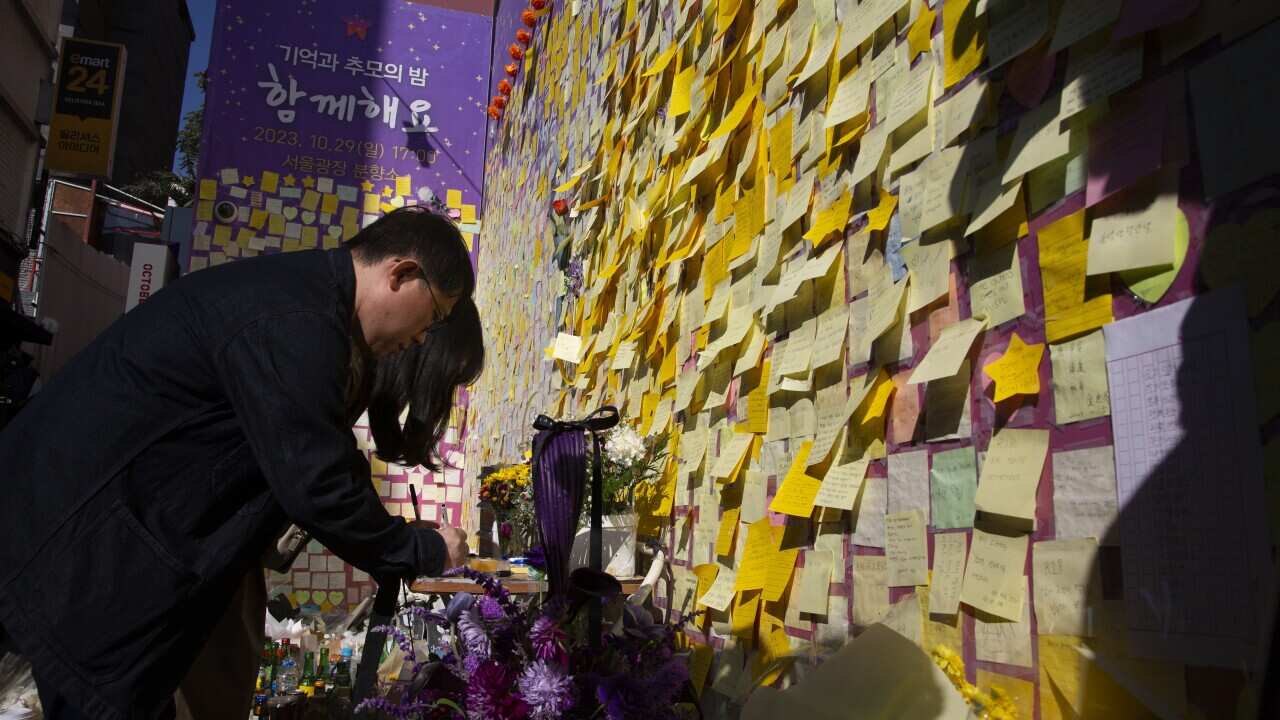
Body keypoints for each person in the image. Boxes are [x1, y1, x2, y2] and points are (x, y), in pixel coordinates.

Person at [0, 207, 481, 719]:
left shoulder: (305, 304)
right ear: (403, 274)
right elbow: (317, 482)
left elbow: (318, 462)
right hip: (78, 550)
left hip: (98, 557)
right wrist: (421, 549)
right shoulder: (296, 318)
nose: (426, 336)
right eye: (435, 316)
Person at [173, 298, 485, 720]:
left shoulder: (338, 364)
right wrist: (419, 549)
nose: (440, 399)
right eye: (446, 380)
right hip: (188, 565)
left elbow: (339, 475)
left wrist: (402, 538)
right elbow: (323, 490)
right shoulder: (330, 359)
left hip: (209, 563)